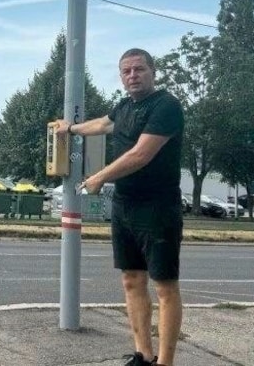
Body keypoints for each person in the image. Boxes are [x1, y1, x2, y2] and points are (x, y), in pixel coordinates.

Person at [54, 48, 184, 366]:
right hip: (125, 205)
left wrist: (98, 177)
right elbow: (102, 124)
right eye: (126, 71)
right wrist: (69, 129)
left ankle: (165, 361)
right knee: (131, 280)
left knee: (165, 285)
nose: (132, 76)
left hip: (158, 207)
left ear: (153, 71)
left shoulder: (165, 106)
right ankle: (143, 355)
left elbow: (141, 154)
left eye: (139, 69)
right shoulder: (125, 106)